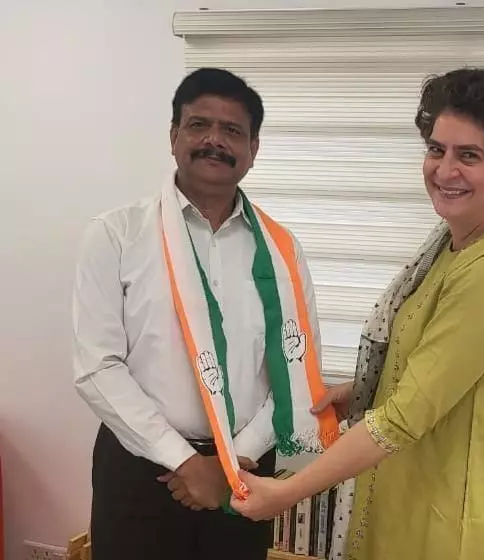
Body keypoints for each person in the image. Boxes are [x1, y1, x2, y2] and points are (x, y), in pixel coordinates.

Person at [231, 67, 484, 560]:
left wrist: (287, 493)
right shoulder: (454, 246)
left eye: (469, 155)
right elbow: (434, 369)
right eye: (437, 149)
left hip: (455, 533)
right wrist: (364, 390)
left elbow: (403, 418)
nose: (445, 170)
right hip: (411, 506)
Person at [72, 67, 336, 560]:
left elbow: (297, 366)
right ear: (174, 136)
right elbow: (97, 366)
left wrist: (234, 460)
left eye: (232, 130)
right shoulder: (116, 235)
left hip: (245, 473)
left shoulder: (283, 250)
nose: (214, 140)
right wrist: (186, 461)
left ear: (253, 149)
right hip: (141, 468)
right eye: (199, 125)